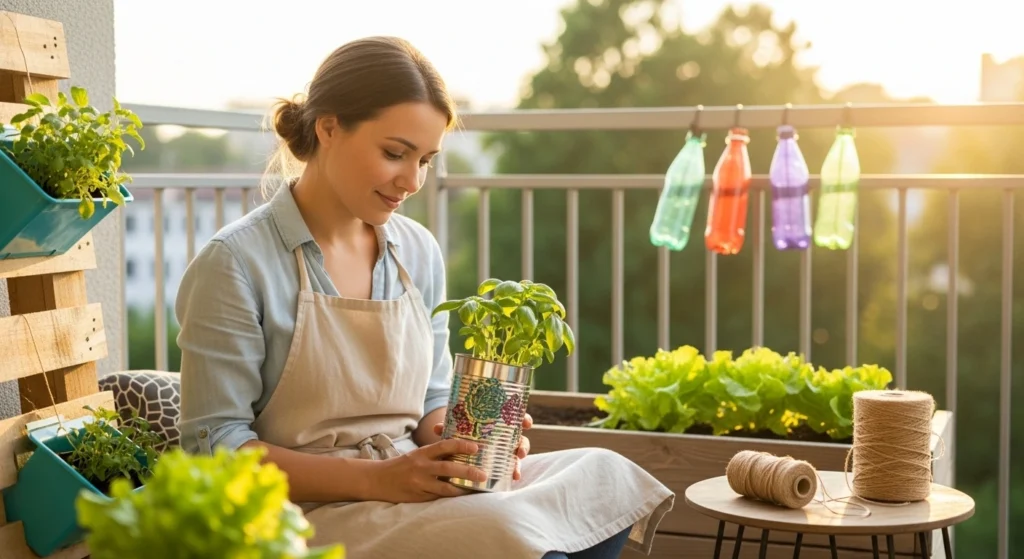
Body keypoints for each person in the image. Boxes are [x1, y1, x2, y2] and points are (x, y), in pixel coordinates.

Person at [175, 36, 674, 559]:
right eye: (395, 153)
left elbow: (432, 402)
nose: (411, 180)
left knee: (603, 476)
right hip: (308, 512)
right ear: (328, 128)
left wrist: (474, 438)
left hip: (412, 483)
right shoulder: (234, 263)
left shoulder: (416, 250)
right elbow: (217, 451)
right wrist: (376, 479)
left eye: (426, 159)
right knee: (509, 530)